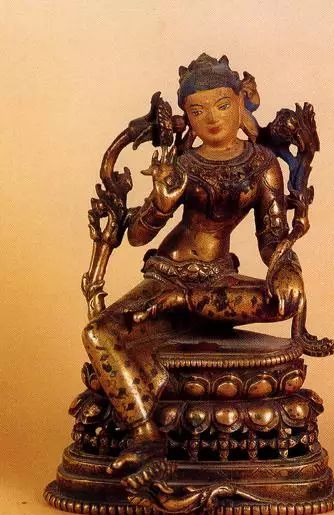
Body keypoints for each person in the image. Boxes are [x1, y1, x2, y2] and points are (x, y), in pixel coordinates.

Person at [82, 54, 313, 472]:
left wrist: (285, 266)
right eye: (197, 110)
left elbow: (272, 237)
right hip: (168, 276)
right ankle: (145, 436)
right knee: (101, 333)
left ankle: (188, 311)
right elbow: (137, 236)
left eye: (222, 105)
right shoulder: (183, 164)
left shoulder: (263, 165)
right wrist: (160, 203)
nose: (212, 118)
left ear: (241, 103)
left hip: (217, 284)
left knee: (284, 301)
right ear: (187, 116)